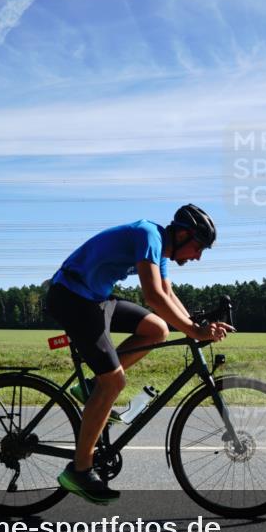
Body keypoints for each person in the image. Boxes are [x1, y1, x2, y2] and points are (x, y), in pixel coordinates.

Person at [44, 204, 234, 504]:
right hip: (71, 297)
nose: (197, 256)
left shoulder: (160, 249)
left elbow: (167, 294)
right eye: (198, 247)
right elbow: (153, 296)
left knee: (158, 329)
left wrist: (196, 325)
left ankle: (92, 387)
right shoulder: (148, 235)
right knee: (114, 382)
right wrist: (194, 331)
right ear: (183, 235)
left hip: (96, 299)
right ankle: (79, 470)